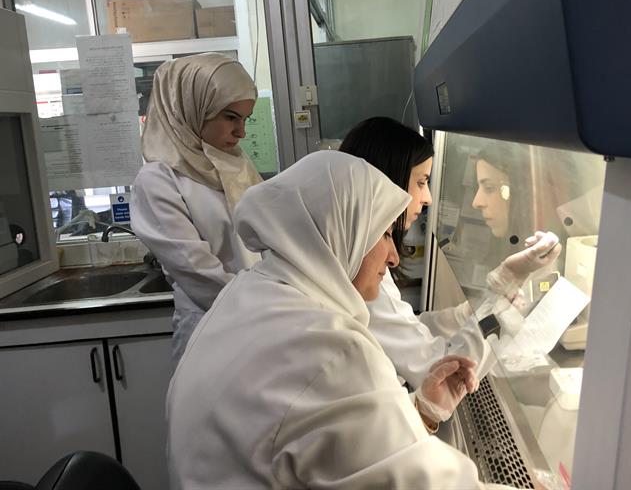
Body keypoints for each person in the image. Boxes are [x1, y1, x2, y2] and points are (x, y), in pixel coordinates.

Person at [167, 150, 487, 489]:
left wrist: (420, 410)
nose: (393, 257)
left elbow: (320, 437)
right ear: (341, 231)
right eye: (383, 235)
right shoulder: (330, 347)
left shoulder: (252, 289)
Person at [339, 117, 560, 390]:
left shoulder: (350, 254)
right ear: (388, 182)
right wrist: (508, 283)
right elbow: (441, 371)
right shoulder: (362, 269)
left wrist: (469, 312)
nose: (428, 198)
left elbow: (407, 327)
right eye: (421, 182)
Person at [131, 53, 262, 368]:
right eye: (230, 117)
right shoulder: (158, 179)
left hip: (261, 320)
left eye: (246, 119)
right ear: (190, 109)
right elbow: (197, 271)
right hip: (212, 328)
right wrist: (271, 306)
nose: (241, 133)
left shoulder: (235, 163)